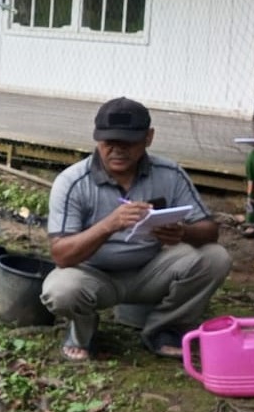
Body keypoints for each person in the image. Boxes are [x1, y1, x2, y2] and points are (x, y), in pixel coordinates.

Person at [42, 97, 232, 361]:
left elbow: (210, 231)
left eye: (128, 143)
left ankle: (164, 328)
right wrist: (108, 225)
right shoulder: (73, 182)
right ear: (97, 139)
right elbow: (61, 255)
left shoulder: (169, 173)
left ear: (148, 138)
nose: (118, 151)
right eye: (110, 143)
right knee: (60, 290)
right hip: (92, 275)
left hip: (151, 270)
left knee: (215, 257)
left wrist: (183, 233)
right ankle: (83, 330)